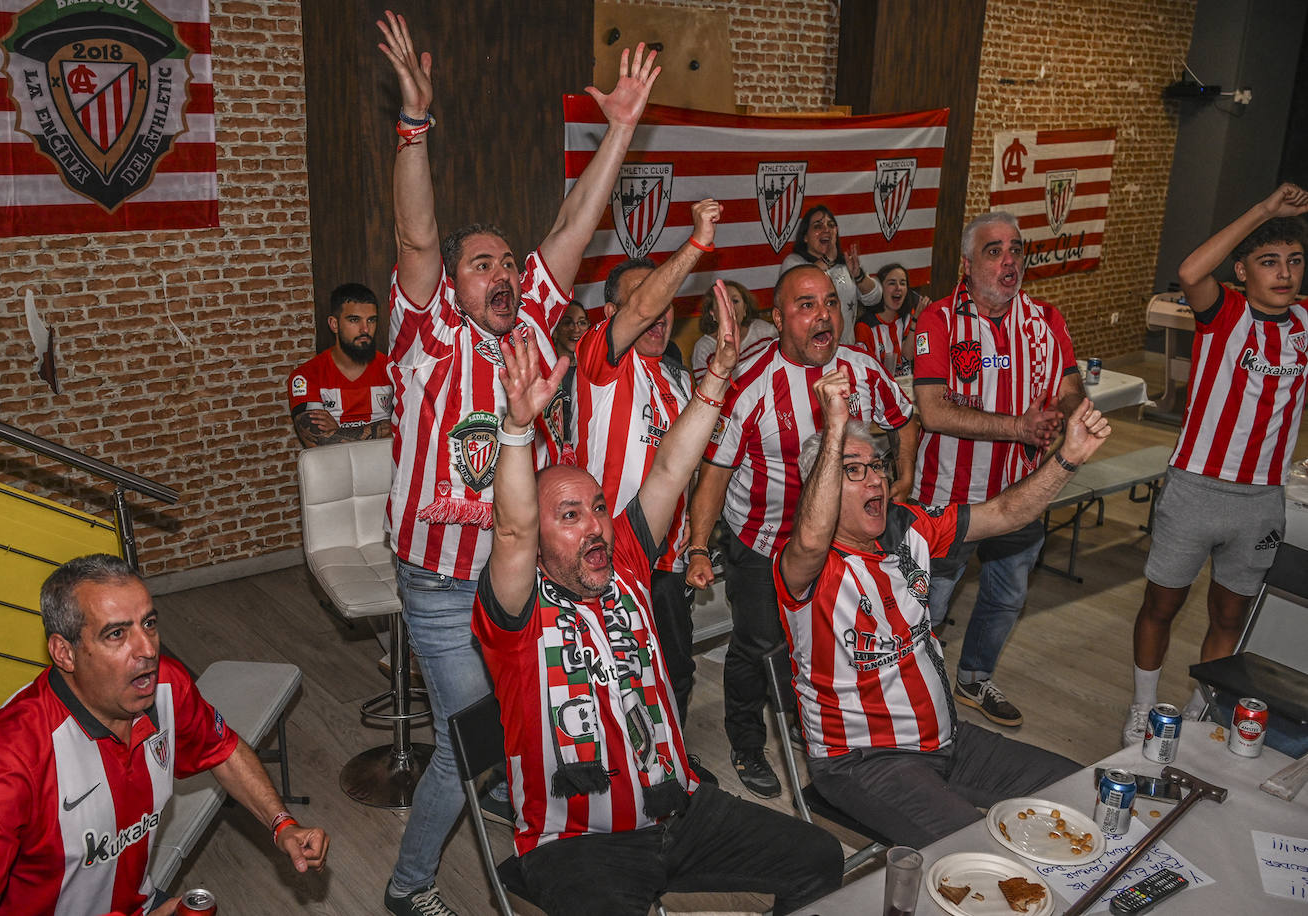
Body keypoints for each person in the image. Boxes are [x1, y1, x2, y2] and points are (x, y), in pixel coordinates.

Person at [374, 13, 659, 915]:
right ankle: (410, 884)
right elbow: (417, 235)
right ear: (452, 285)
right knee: (473, 739)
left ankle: (539, 821)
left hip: (520, 571)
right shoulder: (425, 328)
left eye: (508, 262)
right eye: (482, 265)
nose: (502, 274)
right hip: (439, 581)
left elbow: (578, 217)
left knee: (533, 717)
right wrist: (415, 127)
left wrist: (619, 126)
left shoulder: (532, 314)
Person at [473, 285, 842, 916]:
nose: (595, 525)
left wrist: (720, 372)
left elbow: (671, 468)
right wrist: (514, 429)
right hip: (582, 844)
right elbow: (509, 528)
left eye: (596, 507)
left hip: (683, 809)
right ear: (535, 539)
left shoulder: (627, 563)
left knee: (820, 860)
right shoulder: (516, 615)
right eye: (569, 515)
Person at [776, 377, 1109, 847]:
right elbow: (811, 538)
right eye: (853, 471)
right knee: (982, 854)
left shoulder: (907, 526)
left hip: (953, 740)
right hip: (867, 762)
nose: (876, 478)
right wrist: (834, 428)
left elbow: (1007, 511)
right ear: (820, 487)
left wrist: (1069, 455)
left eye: (878, 466)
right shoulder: (805, 565)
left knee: (1089, 792)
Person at [0, 554, 328, 916]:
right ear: (64, 653)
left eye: (149, 624)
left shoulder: (167, 687)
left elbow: (222, 750)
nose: (147, 650)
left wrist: (282, 825)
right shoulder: (7, 757)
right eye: (116, 634)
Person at [686, 264, 917, 798]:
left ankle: (802, 720)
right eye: (806, 305)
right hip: (764, 547)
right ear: (778, 318)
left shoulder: (861, 368)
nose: (823, 316)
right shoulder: (749, 384)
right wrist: (699, 546)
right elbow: (713, 475)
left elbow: (905, 416)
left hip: (839, 548)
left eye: (830, 304)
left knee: (822, 645)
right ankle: (746, 744)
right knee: (758, 646)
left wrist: (902, 479)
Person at [1124, 183, 1308, 744]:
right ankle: (1143, 708)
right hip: (1196, 488)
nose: (1284, 273)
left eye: (1295, 262)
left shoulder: (1305, 325)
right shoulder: (1223, 311)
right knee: (1162, 603)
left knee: (1230, 617)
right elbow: (1188, 270)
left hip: (1260, 501)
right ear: (1242, 271)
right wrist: (1264, 210)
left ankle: (1202, 704)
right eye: (1269, 261)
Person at [912, 210, 1085, 728]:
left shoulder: (1046, 321)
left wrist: (1071, 413)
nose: (1009, 261)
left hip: (1022, 494)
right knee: (931, 603)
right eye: (994, 251)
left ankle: (972, 678)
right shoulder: (939, 320)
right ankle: (914, 688)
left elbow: (1072, 386)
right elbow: (934, 410)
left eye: (1016, 250)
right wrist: (1020, 427)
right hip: (951, 496)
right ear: (967, 264)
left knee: (1008, 596)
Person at [573, 199, 719, 731]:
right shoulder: (603, 360)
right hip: (606, 556)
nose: (657, 313)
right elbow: (638, 312)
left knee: (675, 673)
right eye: (642, 300)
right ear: (611, 314)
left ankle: (671, 770)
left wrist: (697, 545)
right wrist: (697, 243)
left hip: (666, 565)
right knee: (607, 681)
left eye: (666, 300)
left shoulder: (679, 383)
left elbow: (701, 475)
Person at [287, 283, 392, 447]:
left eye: (371, 320)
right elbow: (318, 440)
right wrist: (385, 428)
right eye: (354, 320)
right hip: (334, 468)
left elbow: (413, 427)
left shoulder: (393, 369)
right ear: (334, 324)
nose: (365, 329)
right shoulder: (307, 375)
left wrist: (337, 432)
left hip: (387, 467)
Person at [780, 203, 881, 340]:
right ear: (805, 237)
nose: (826, 230)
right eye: (818, 226)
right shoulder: (794, 263)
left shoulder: (846, 263)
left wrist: (859, 276)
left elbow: (874, 299)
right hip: (809, 353)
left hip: (845, 351)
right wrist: (827, 260)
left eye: (831, 225)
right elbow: (798, 285)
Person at [690, 279, 776, 381]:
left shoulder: (764, 331)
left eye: (735, 301)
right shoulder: (703, 348)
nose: (730, 307)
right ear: (712, 312)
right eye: (722, 302)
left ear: (745, 309)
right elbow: (706, 391)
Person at [855, 262, 925, 377]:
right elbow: (862, 372)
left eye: (903, 283)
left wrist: (918, 321)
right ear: (880, 289)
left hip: (904, 388)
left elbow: (909, 355)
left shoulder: (908, 317)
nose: (898, 288)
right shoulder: (865, 327)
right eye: (892, 283)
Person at [551, 300, 589, 443]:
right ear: (555, 331)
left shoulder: (595, 375)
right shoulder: (543, 372)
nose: (576, 329)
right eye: (567, 323)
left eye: (582, 322)